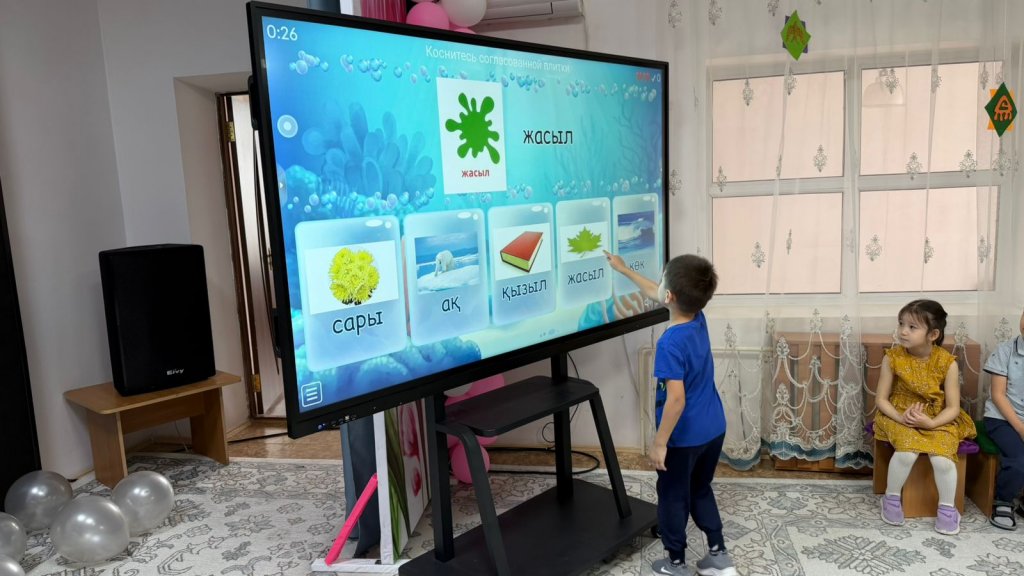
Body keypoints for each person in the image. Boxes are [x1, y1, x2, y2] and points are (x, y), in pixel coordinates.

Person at [604, 251, 736, 576]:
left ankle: (675, 563)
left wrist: (659, 442)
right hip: (713, 428)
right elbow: (656, 291)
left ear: (670, 297)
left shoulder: (669, 344)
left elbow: (676, 400)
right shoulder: (697, 318)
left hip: (684, 438)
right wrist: (624, 270)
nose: (659, 284)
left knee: (672, 496)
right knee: (700, 488)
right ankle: (718, 557)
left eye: (662, 278)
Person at [873, 299, 977, 535]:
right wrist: (901, 417)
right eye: (901, 324)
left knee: (942, 459)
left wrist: (932, 423)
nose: (903, 331)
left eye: (912, 327)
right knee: (907, 451)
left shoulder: (947, 363)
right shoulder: (892, 358)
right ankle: (890, 498)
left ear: (933, 334)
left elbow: (953, 407)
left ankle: (947, 509)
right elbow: (881, 400)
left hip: (937, 417)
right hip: (898, 414)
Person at [982, 306, 1024, 530]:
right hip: (1002, 418)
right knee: (1019, 460)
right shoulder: (1005, 351)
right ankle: (1004, 501)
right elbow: (998, 395)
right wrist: (1021, 428)